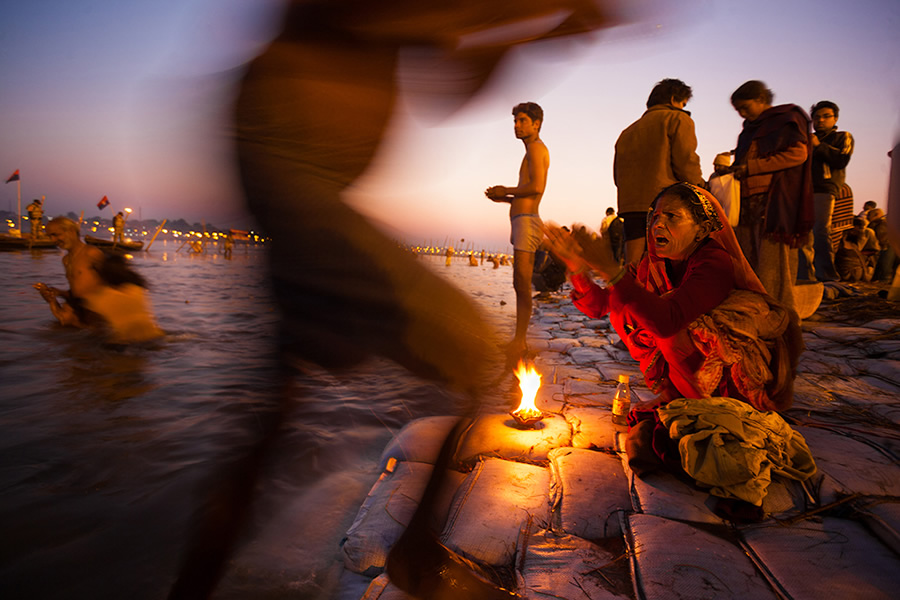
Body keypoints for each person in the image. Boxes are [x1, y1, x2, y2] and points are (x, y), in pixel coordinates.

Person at [544, 183, 805, 518]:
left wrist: (612, 269)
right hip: (686, 374)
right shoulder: (653, 263)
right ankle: (677, 399)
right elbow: (602, 306)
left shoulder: (715, 261)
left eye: (672, 217)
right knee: (628, 307)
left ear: (702, 229)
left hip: (731, 382)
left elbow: (668, 322)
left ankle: (702, 408)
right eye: (655, 217)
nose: (657, 225)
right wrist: (578, 268)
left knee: (660, 318)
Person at [726, 80, 814, 314]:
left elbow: (798, 154)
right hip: (746, 202)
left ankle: (781, 313)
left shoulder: (785, 119)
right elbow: (744, 162)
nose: (743, 114)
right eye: (738, 110)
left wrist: (752, 168)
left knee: (772, 262)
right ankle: (755, 309)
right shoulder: (748, 131)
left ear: (761, 100)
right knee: (749, 259)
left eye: (745, 107)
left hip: (774, 202)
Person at [614, 78, 704, 265]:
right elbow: (686, 162)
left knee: (635, 264)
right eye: (683, 103)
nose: (683, 107)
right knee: (666, 266)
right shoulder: (678, 119)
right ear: (673, 99)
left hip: (631, 207)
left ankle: (632, 294)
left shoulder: (627, 132)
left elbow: (617, 176)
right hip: (664, 203)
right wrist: (701, 189)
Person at [485, 101, 550, 360]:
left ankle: (520, 342)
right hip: (522, 218)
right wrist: (504, 199)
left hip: (527, 221)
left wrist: (506, 189)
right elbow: (529, 193)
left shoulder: (536, 148)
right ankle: (518, 339)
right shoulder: (530, 151)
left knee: (521, 284)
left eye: (522, 120)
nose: (517, 125)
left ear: (536, 124)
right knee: (519, 283)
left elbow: (537, 187)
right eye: (515, 121)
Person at [34, 216, 163, 342]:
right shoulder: (66, 260)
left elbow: (114, 280)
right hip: (83, 309)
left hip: (99, 314)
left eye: (56, 235)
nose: (53, 239)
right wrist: (56, 294)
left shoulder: (91, 253)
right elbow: (77, 290)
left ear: (71, 232)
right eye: (50, 236)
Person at [803, 100, 854, 282]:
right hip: (804, 191)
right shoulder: (807, 139)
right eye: (817, 117)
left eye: (826, 116)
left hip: (825, 188)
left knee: (820, 231)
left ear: (835, 118)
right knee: (802, 234)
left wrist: (818, 146)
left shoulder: (842, 137)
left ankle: (827, 275)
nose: (821, 120)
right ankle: (805, 275)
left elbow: (841, 160)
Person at [835, 217, 879, 282]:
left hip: (852, 274)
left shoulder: (866, 234)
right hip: (851, 274)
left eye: (862, 228)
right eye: (860, 228)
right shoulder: (846, 241)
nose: (862, 231)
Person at [866, 208, 897, 281]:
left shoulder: (878, 223)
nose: (867, 217)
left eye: (869, 215)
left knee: (884, 266)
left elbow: (882, 238)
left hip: (886, 246)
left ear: (876, 215)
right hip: (892, 245)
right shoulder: (888, 222)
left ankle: (881, 280)